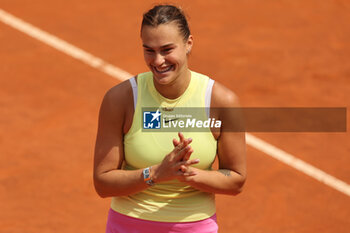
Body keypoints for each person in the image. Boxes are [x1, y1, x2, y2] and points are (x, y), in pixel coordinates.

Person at [93, 4, 246, 233]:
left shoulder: (221, 102)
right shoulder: (121, 99)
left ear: (188, 44)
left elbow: (235, 179)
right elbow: (103, 182)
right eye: (149, 50)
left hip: (194, 227)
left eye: (166, 49)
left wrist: (189, 174)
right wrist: (154, 174)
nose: (157, 61)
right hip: (128, 226)